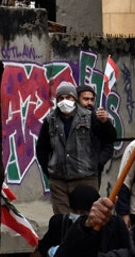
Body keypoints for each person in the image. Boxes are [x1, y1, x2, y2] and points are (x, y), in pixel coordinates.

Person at [38, 81, 115, 213]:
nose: (65, 101)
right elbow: (42, 149)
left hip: (85, 179)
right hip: (59, 182)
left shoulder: (89, 117)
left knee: (86, 220)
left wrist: (105, 123)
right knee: (63, 222)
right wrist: (50, 171)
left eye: (68, 98)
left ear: (74, 99)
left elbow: (109, 138)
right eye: (61, 98)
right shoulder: (50, 120)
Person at [77, 83, 119, 176]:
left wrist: (98, 163)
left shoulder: (97, 120)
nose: (89, 103)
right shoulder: (70, 119)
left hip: (93, 173)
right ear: (77, 100)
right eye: (86, 99)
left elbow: (109, 141)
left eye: (92, 100)